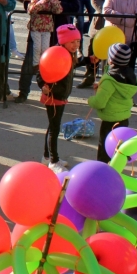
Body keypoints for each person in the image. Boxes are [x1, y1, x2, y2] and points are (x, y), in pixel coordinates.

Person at [38, 24, 85, 173]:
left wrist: (90, 60)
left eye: (78, 41)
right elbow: (41, 72)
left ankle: (46, 157)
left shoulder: (70, 55)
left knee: (52, 127)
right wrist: (43, 85)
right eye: (72, 42)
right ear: (63, 41)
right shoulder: (55, 54)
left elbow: (75, 65)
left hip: (61, 96)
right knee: (54, 128)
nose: (76, 45)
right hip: (53, 97)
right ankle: (53, 160)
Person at [89, 44, 137, 163]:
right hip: (124, 118)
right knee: (118, 150)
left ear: (110, 59)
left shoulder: (109, 79)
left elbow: (100, 102)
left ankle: (103, 174)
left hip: (110, 121)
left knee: (105, 150)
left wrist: (90, 100)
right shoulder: (130, 75)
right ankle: (116, 171)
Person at [27, 0, 62, 69]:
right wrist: (40, 3)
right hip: (36, 28)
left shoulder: (50, 3)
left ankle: (43, 64)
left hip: (47, 29)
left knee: (45, 48)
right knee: (37, 47)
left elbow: (58, 10)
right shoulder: (34, 1)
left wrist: (55, 1)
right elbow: (31, 10)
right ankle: (36, 64)